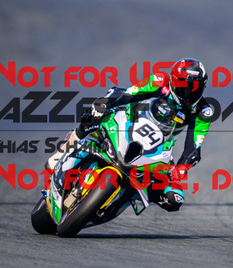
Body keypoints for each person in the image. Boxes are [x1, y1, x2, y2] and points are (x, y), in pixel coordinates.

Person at [46, 58, 213, 212]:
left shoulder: (203, 111)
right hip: (130, 121)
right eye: (185, 86)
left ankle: (124, 198)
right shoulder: (159, 81)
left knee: (173, 199)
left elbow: (193, 147)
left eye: (196, 88)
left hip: (159, 145)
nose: (190, 93)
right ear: (174, 81)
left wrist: (181, 169)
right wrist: (105, 103)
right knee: (91, 117)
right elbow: (129, 93)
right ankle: (61, 153)